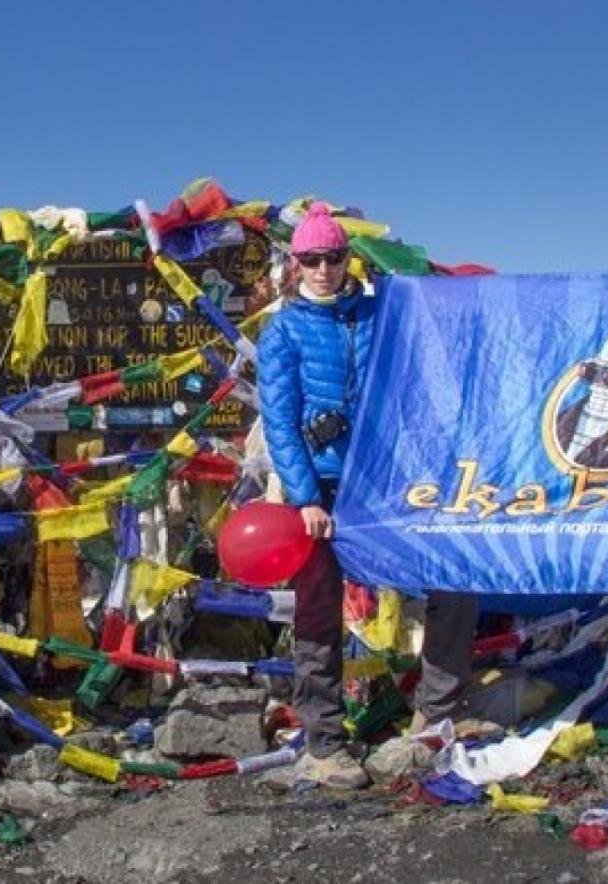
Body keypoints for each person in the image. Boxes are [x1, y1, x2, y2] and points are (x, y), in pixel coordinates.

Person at [257, 203, 378, 789]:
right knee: (318, 611)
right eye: (311, 259)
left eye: (333, 257)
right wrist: (305, 496)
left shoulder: (379, 315)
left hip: (380, 481)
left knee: (436, 585)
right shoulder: (282, 329)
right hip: (322, 489)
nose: (323, 269)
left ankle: (437, 715)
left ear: (347, 259)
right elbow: (279, 421)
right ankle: (326, 741)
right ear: (295, 264)